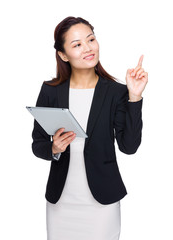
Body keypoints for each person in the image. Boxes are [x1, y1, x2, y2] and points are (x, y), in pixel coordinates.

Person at [31, 16, 148, 240]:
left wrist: (134, 97)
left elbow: (129, 146)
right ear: (63, 55)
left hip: (101, 204)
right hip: (61, 203)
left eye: (91, 39)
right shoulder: (50, 91)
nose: (88, 48)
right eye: (77, 44)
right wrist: (54, 148)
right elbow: (37, 145)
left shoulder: (116, 92)